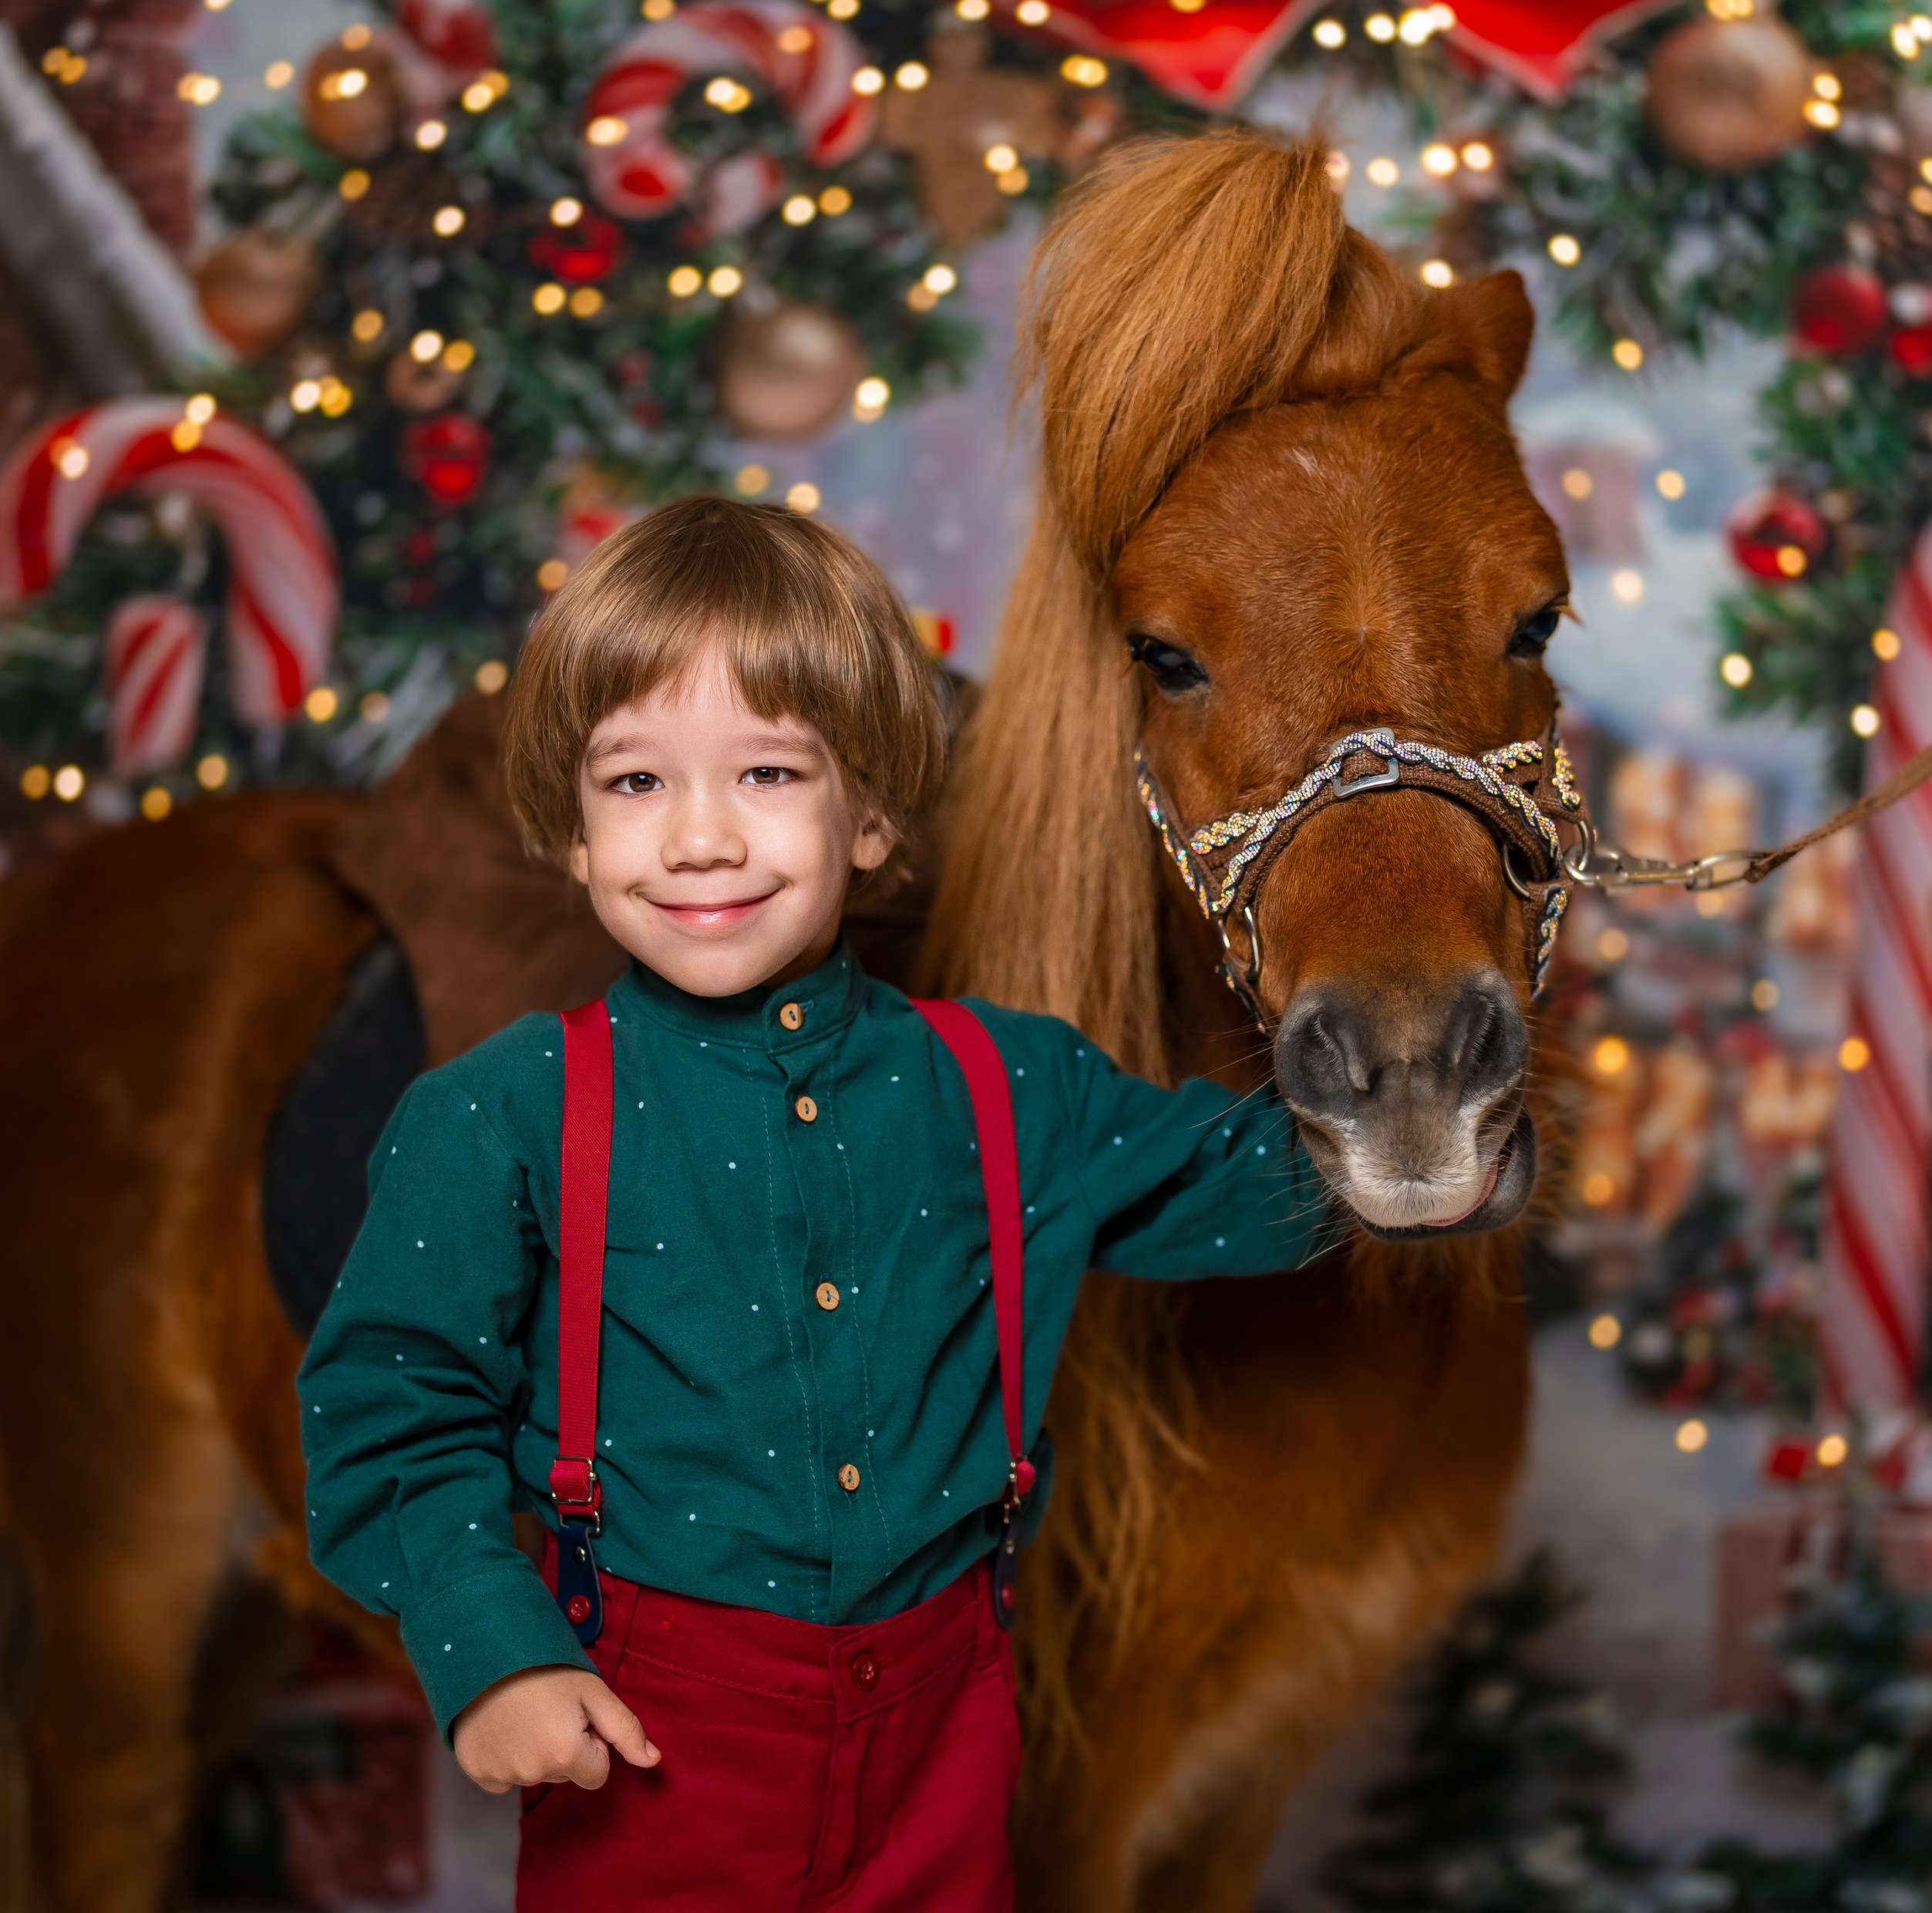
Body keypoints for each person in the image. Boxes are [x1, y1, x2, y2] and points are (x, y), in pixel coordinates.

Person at [298, 495, 1328, 1910]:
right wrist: (492, 1649)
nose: (699, 838)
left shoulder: (1009, 1086)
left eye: (769, 773)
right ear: (574, 832)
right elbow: (392, 1403)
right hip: (654, 1737)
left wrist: (1422, 1107)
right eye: (635, 781)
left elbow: (1252, 1185)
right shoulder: (501, 1112)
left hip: (947, 1732)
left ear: (874, 817)